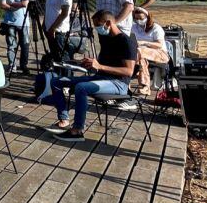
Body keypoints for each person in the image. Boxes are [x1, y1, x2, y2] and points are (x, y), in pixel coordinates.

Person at [37, 9, 138, 142]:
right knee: (56, 81)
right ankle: (64, 119)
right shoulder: (106, 39)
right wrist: (88, 63)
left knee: (81, 87)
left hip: (118, 84)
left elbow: (129, 71)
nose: (97, 29)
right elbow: (101, 63)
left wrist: (100, 66)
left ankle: (77, 130)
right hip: (101, 78)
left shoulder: (126, 41)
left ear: (108, 23)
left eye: (98, 25)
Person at [131, 8, 169, 96]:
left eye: (141, 18)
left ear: (147, 17)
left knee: (140, 52)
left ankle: (131, 74)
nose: (138, 21)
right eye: (136, 19)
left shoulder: (156, 28)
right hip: (141, 54)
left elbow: (159, 44)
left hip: (160, 53)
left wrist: (145, 43)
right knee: (142, 58)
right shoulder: (134, 27)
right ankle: (144, 86)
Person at [0, 0, 30, 74]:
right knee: (11, 45)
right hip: (9, 23)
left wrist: (11, 5)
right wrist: (17, 5)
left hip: (24, 23)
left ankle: (23, 65)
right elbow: (2, 5)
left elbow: (24, 3)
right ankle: (12, 65)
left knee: (25, 45)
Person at [44, 0, 74, 64]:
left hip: (59, 31)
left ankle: (65, 76)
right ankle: (57, 75)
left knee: (62, 57)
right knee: (55, 56)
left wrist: (53, 28)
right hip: (50, 30)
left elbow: (65, 13)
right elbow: (49, 10)